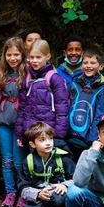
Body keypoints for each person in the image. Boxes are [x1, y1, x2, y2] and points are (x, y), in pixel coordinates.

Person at [15, 39, 70, 171]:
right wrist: (20, 133)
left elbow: (62, 108)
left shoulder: (54, 78)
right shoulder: (27, 79)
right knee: (33, 164)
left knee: (51, 165)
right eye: (31, 57)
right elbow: (22, 108)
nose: (34, 61)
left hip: (48, 134)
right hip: (32, 132)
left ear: (48, 56)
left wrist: (58, 135)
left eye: (38, 57)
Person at [16, 122, 75, 207]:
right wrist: (37, 194)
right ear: (33, 144)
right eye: (42, 140)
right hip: (40, 197)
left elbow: (78, 179)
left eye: (50, 138)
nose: (48, 143)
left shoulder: (62, 158)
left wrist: (64, 185)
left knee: (58, 197)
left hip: (59, 196)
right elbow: (22, 187)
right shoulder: (28, 162)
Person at [0, 37, 28, 207]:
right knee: (6, 160)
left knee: (19, 162)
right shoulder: (0, 74)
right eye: (9, 54)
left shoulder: (27, 74)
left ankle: (22, 193)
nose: (13, 58)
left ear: (23, 54)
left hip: (21, 124)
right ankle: (10, 192)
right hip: (4, 122)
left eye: (16, 54)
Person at [66, 48, 104, 160]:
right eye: (85, 63)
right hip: (70, 135)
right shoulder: (74, 85)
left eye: (93, 63)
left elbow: (101, 113)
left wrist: (93, 137)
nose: (88, 66)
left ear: (101, 66)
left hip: (90, 138)